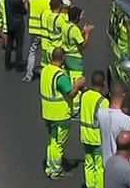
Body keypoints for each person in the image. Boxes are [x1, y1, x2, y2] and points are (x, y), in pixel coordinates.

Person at [40, 48, 86, 180]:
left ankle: (50, 167)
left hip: (48, 112)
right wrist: (78, 85)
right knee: (59, 143)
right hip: (60, 115)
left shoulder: (46, 70)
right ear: (63, 59)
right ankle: (55, 171)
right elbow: (70, 93)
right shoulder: (60, 76)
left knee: (53, 141)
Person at [98, 79, 130, 165]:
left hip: (107, 162)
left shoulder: (101, 112)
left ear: (110, 95)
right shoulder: (125, 119)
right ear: (124, 95)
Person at [62, 6, 95, 117]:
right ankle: (75, 110)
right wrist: (87, 33)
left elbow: (74, 36)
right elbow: (83, 45)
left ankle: (69, 104)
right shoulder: (75, 29)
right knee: (78, 82)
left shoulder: (66, 26)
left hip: (66, 56)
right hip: (75, 58)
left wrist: (82, 30)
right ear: (76, 17)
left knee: (70, 80)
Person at [80, 70, 110, 188]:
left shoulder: (85, 96)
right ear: (103, 83)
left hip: (85, 136)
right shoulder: (103, 102)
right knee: (99, 166)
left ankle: (90, 185)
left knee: (88, 164)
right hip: (97, 138)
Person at [22, 0, 52, 83]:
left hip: (33, 30)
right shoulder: (49, 3)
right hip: (44, 31)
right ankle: (47, 75)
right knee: (45, 54)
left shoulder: (33, 0)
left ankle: (29, 75)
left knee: (32, 52)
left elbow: (26, 0)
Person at [4, 0, 27, 71]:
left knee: (9, 44)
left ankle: (7, 64)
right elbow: (24, 12)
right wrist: (24, 2)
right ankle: (18, 63)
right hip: (18, 24)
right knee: (19, 44)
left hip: (10, 23)